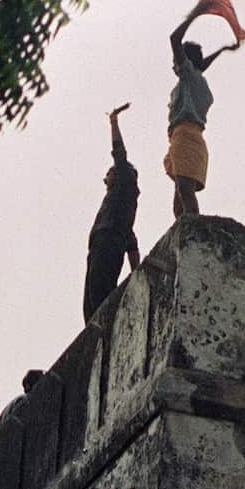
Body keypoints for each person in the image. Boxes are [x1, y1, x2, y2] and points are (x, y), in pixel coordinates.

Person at [164, 1, 241, 218]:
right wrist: (221, 51)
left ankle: (194, 228)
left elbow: (174, 39)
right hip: (188, 138)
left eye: (177, 59)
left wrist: (195, 14)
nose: (174, 64)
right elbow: (201, 66)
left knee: (184, 191)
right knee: (179, 197)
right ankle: (184, 227)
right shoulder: (196, 81)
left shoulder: (189, 77)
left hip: (185, 137)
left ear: (185, 61)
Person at [83, 104, 141, 324]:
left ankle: (102, 328)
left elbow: (119, 152)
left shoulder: (124, 186)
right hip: (100, 244)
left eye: (109, 174)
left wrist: (114, 122)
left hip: (108, 243)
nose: (105, 179)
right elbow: (131, 241)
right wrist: (136, 272)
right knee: (91, 303)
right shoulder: (117, 204)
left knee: (100, 294)